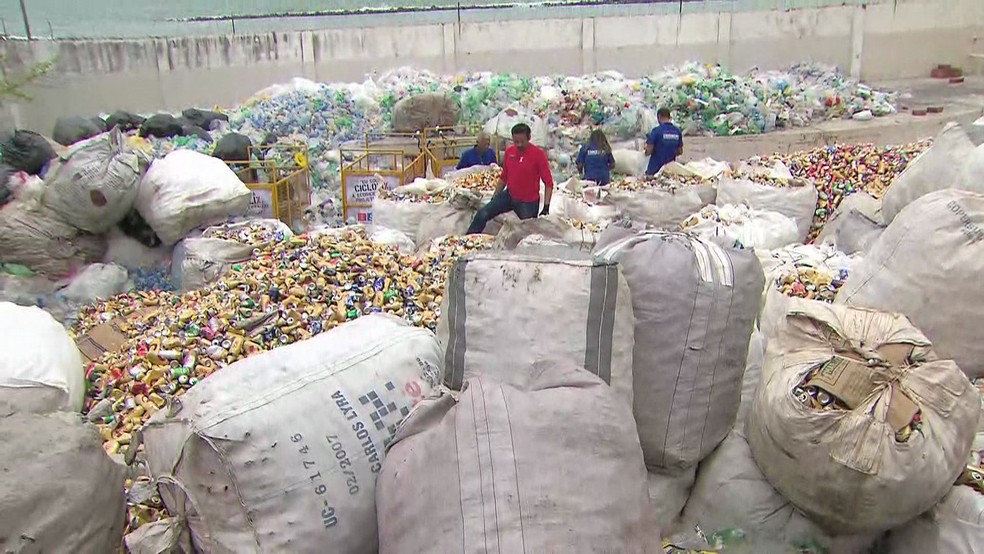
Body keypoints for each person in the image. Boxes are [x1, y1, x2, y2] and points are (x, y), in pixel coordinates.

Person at [466, 123, 554, 234]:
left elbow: (548, 183)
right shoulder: (510, 152)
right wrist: (495, 196)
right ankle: (468, 240)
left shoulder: (538, 155)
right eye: (516, 141)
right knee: (482, 213)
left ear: (529, 138)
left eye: (522, 141)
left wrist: (546, 207)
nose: (519, 144)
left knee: (527, 232)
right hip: (509, 195)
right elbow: (504, 177)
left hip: (528, 202)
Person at [645, 107, 683, 176]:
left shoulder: (656, 131)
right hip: (670, 171)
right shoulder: (677, 131)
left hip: (655, 171)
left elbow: (648, 151)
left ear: (659, 116)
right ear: (669, 117)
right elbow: (680, 151)